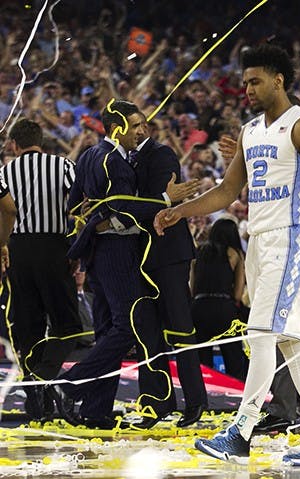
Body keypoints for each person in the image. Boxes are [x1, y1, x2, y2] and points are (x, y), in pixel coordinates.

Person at [154, 44, 300, 465]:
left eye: (255, 81)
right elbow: (227, 192)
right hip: (259, 241)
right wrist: (179, 212)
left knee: (261, 334)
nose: (247, 89)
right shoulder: (248, 130)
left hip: (293, 237)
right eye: (244, 82)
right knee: (292, 341)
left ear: (278, 79)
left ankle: (240, 431)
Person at [47, 100, 178, 429]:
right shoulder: (114, 162)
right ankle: (70, 383)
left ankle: (96, 409)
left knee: (107, 330)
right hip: (118, 251)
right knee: (128, 326)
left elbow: (74, 204)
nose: (141, 131)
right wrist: (166, 199)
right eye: (135, 125)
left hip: (96, 255)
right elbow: (124, 208)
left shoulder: (89, 155)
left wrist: (93, 216)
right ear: (117, 127)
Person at [1, 119, 83, 421]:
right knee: (69, 326)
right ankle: (44, 377)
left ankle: (37, 397)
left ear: (13, 145)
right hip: (53, 247)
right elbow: (80, 205)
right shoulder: (62, 166)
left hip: (16, 250)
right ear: (42, 140)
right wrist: (77, 248)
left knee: (28, 327)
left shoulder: (4, 173)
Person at [133, 121, 207, 428]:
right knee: (146, 332)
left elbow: (163, 201)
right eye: (130, 125)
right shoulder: (122, 159)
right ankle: (156, 404)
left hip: (167, 253)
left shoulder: (161, 154)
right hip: (140, 256)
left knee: (180, 328)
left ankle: (195, 401)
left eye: (139, 124)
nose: (134, 130)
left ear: (147, 127)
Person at [191, 217, 249, 380]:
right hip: (224, 309)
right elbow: (238, 294)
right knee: (233, 358)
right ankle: (236, 396)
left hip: (198, 308)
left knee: (202, 362)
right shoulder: (235, 254)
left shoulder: (199, 252)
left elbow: (192, 288)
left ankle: (203, 399)